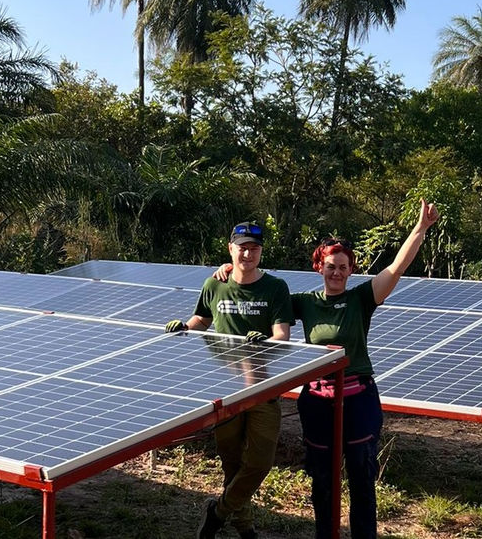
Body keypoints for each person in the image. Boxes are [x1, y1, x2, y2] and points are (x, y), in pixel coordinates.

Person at [214, 200, 440, 539]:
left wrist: (420, 229)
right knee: (322, 478)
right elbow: (258, 302)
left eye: (343, 268)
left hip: (358, 398)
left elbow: (396, 267)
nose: (337, 273)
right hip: (317, 400)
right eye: (331, 266)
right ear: (320, 267)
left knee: (362, 476)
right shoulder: (305, 301)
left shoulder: (361, 299)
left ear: (351, 271)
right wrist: (231, 269)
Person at [165, 221, 292, 539]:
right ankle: (245, 526)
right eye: (242, 246)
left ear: (261, 251)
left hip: (263, 386)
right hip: (224, 385)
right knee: (231, 461)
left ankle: (219, 510)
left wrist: (265, 341)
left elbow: (282, 334)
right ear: (230, 248)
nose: (248, 253)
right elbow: (202, 320)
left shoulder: (275, 288)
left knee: (260, 462)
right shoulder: (214, 284)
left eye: (254, 248)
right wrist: (184, 327)